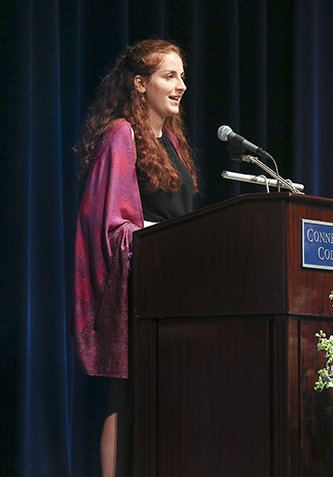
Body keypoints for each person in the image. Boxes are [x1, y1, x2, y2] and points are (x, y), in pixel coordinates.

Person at [73, 39, 198, 477]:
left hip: (174, 282)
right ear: (140, 84)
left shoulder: (172, 143)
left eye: (182, 76)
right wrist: (159, 238)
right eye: (170, 75)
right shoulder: (121, 135)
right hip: (140, 284)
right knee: (124, 395)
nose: (181, 85)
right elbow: (109, 223)